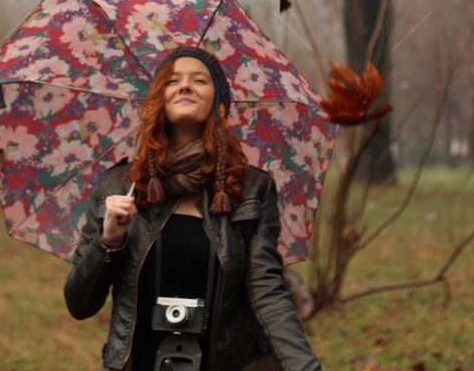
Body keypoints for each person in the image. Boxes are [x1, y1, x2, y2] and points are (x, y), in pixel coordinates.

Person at [64, 45, 323, 371]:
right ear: (158, 98)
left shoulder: (250, 189)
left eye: (199, 80)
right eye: (172, 80)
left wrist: (306, 367)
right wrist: (109, 241)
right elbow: (80, 304)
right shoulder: (119, 186)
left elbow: (267, 292)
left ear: (219, 102)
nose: (185, 86)